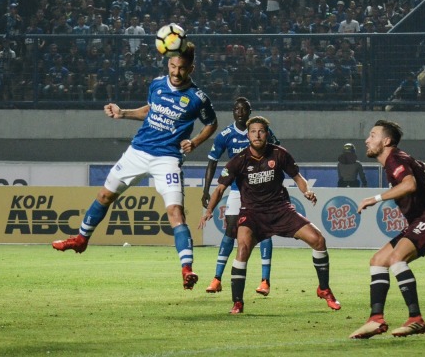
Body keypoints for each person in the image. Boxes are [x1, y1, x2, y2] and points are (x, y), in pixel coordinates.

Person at [52, 41, 218, 291]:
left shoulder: (197, 98)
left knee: (175, 212)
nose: (175, 72)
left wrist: (194, 142)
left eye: (181, 68)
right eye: (172, 66)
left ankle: (186, 269)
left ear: (191, 69)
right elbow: (151, 110)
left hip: (167, 158)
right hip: (138, 151)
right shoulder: (157, 84)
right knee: (105, 195)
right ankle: (81, 240)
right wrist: (123, 113)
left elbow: (212, 124)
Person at [199, 116, 341, 314]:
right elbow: (220, 189)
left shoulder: (279, 154)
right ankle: (237, 302)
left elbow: (298, 177)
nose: (257, 135)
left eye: (261, 131)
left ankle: (324, 289)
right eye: (253, 131)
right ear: (248, 135)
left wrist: (306, 191)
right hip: (252, 214)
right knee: (242, 250)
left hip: (281, 210)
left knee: (318, 240)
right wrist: (208, 211)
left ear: (267, 134)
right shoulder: (238, 161)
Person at [349, 120, 425, 339]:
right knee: (378, 261)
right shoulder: (401, 158)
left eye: (373, 135)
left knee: (396, 258)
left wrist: (374, 199)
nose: (367, 140)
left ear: (386, 141)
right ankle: (375, 319)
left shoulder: (395, 157)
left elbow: (410, 185)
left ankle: (416, 319)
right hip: (422, 219)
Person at [202, 97, 280, 296]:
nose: (240, 112)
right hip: (237, 191)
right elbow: (212, 162)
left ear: (249, 112)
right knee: (231, 229)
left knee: (264, 231)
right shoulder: (225, 135)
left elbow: (278, 153)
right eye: (236, 109)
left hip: (262, 191)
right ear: (233, 112)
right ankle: (217, 278)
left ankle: (265, 281)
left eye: (244, 109)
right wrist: (206, 190)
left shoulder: (260, 132)